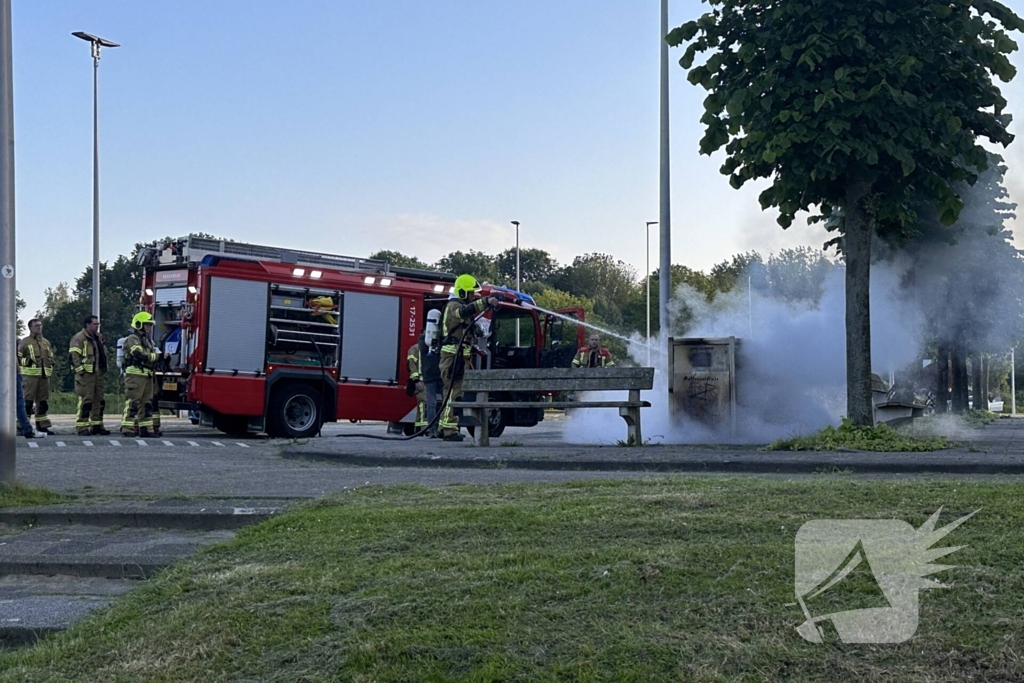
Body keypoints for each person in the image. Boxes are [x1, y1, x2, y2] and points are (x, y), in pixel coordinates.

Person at [436, 274, 498, 442]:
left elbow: (467, 324)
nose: (473, 296)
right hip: (452, 357)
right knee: (453, 393)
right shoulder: (453, 305)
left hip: (457, 356)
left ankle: (444, 427)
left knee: (451, 392)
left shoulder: (457, 307)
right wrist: (485, 301)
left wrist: (476, 330)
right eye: (470, 293)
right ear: (462, 292)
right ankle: (449, 430)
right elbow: (463, 312)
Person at [121, 312, 168, 438]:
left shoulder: (148, 340)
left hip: (147, 375)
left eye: (150, 325)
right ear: (139, 324)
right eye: (146, 325)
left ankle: (146, 429)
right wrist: (157, 356)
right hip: (135, 376)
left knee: (147, 404)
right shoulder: (133, 339)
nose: (149, 328)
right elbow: (139, 354)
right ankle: (127, 428)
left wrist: (161, 357)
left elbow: (154, 354)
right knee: (133, 403)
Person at [69, 315, 110, 436]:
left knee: (99, 400)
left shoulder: (97, 338)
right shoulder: (79, 338)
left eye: (98, 324)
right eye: (94, 324)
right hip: (86, 376)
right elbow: (73, 357)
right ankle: (82, 426)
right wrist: (81, 371)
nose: (97, 326)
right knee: (86, 401)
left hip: (98, 374)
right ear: (87, 325)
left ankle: (97, 425)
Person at [18, 318, 55, 434]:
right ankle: (23, 426)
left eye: (40, 325)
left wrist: (51, 365)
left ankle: (42, 425)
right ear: (30, 328)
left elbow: (50, 358)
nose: (39, 327)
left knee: (43, 402)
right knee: (28, 402)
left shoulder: (46, 342)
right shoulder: (24, 342)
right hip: (30, 377)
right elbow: (17, 358)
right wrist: (27, 362)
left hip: (44, 376)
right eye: (36, 326)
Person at [15, 362, 44, 439]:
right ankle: (27, 429)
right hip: (12, 373)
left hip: (11, 372)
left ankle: (26, 428)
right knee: (19, 403)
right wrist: (18, 371)